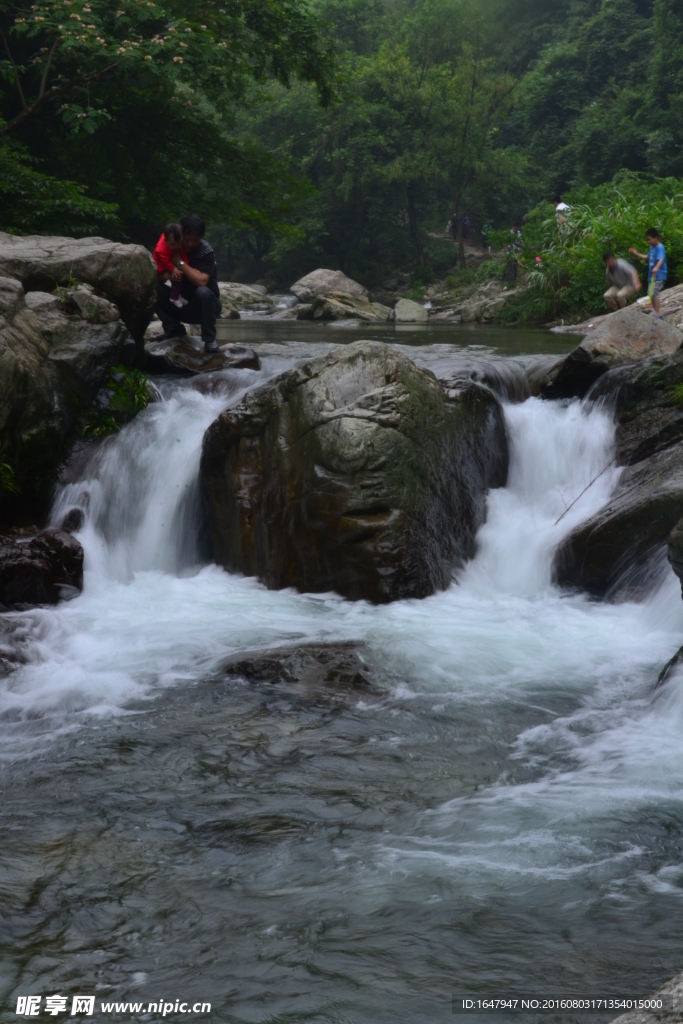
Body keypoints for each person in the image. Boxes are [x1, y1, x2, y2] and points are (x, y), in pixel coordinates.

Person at [156, 213, 222, 352]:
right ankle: (173, 329)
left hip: (206, 307)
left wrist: (179, 263)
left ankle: (210, 339)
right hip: (181, 303)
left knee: (202, 292)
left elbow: (202, 281)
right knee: (153, 288)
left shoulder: (206, 250)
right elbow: (158, 275)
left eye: (195, 240)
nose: (190, 244)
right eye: (186, 240)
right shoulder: (171, 245)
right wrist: (169, 275)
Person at [629, 228, 667, 318]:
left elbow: (661, 259)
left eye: (649, 239)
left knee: (654, 293)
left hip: (659, 275)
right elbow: (647, 257)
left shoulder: (660, 247)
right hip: (651, 276)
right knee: (650, 293)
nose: (648, 242)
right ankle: (656, 312)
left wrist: (657, 267)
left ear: (656, 238)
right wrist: (636, 254)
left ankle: (658, 313)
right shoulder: (651, 248)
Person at [153, 223, 188, 308]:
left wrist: (186, 262)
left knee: (178, 278)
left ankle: (176, 294)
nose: (176, 247)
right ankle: (173, 297)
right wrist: (173, 269)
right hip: (161, 267)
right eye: (173, 245)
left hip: (172, 264)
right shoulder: (161, 248)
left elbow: (182, 254)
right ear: (165, 240)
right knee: (176, 277)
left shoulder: (175, 242)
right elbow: (164, 261)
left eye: (179, 244)